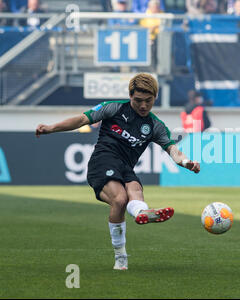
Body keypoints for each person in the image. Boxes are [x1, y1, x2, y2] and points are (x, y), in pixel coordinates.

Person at [35, 73, 200, 270]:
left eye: (148, 101)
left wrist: (187, 162)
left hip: (125, 167)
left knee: (135, 189)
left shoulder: (155, 126)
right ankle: (121, 256)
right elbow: (81, 120)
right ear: (130, 96)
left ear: (155, 97)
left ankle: (141, 212)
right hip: (102, 162)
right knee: (120, 200)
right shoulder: (113, 108)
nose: (143, 106)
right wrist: (51, 128)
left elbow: (173, 150)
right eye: (138, 100)